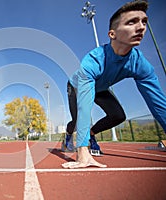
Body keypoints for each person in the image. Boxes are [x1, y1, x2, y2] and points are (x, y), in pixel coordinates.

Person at [62, 0, 166, 169]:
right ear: (112, 34)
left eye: (144, 22)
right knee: (77, 119)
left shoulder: (140, 64)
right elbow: (84, 108)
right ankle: (67, 136)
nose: (141, 27)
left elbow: (159, 104)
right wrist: (82, 151)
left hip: (100, 88)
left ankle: (92, 134)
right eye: (132, 22)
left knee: (118, 115)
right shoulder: (94, 60)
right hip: (76, 86)